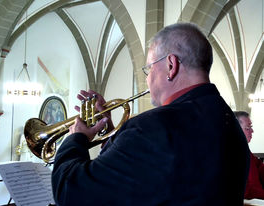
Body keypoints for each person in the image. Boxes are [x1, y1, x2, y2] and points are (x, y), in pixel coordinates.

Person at [52, 23, 250, 205]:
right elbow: (152, 176)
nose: (147, 80)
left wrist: (76, 137)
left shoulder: (152, 127)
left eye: (149, 68)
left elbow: (71, 192)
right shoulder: (230, 123)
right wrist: (111, 134)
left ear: (171, 65)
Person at [234, 111, 264, 199]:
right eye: (248, 128)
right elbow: (245, 192)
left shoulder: (245, 150)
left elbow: (261, 169)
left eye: (251, 127)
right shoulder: (229, 153)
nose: (252, 131)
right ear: (236, 129)